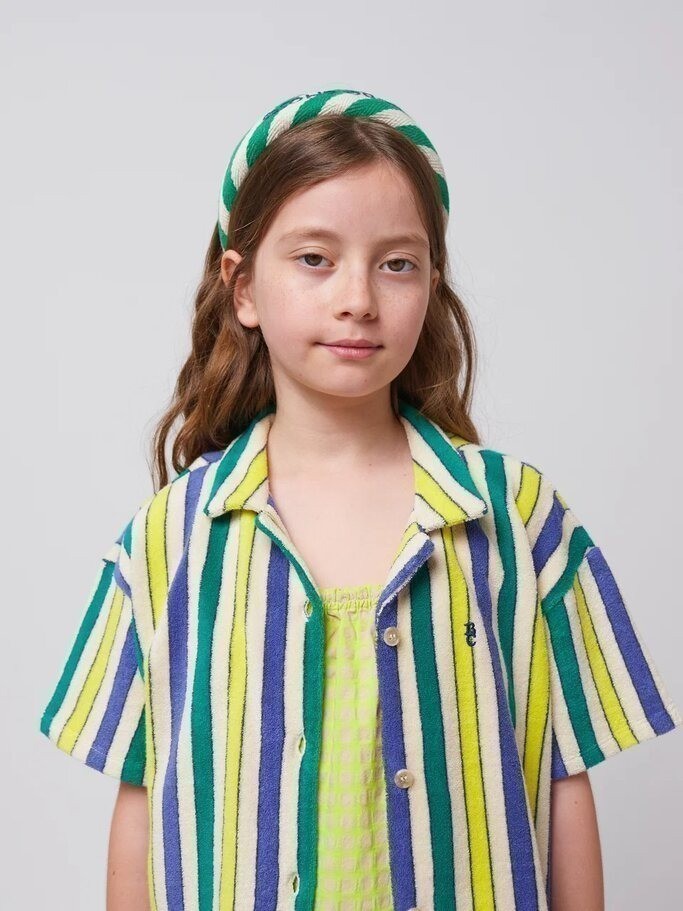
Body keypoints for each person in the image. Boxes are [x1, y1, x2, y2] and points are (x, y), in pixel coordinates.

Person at [38, 87, 681, 911]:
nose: (358, 298)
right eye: (315, 258)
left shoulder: (519, 518)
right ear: (242, 287)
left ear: (432, 284)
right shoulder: (166, 541)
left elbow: (564, 783)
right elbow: (142, 798)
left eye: (396, 263)